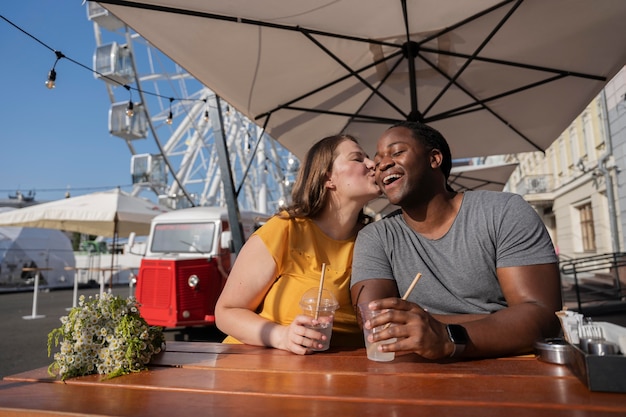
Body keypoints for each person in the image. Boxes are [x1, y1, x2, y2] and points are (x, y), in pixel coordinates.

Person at [350, 121, 562, 360]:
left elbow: (542, 316)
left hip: (513, 371)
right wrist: (499, 318)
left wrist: (446, 336)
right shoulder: (375, 237)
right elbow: (377, 326)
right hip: (418, 380)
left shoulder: (503, 211)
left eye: (397, 152)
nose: (383, 165)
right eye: (377, 163)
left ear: (434, 159)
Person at [215, 134, 381, 355]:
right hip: (257, 371)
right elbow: (226, 312)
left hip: (339, 377)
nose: (373, 164)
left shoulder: (375, 242)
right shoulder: (286, 229)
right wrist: (281, 336)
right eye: (358, 158)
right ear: (328, 178)